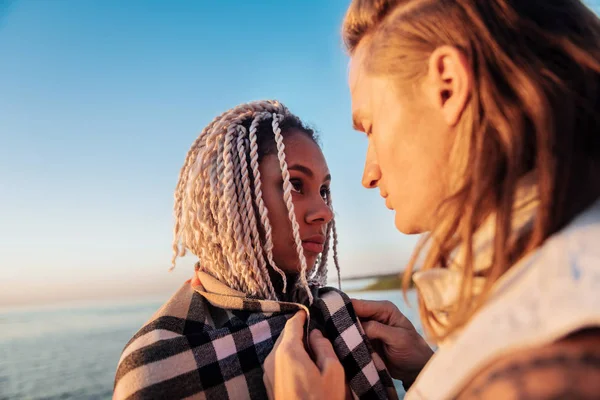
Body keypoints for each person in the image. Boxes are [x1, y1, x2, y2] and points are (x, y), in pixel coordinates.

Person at [263, 0, 600, 398]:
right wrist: (433, 370)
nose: (368, 175)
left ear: (448, 86)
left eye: (370, 128)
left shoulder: (546, 366)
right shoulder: (546, 299)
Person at [113, 100, 397, 400]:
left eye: (324, 191)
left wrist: (421, 369)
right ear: (232, 200)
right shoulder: (156, 365)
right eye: (295, 185)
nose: (325, 212)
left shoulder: (336, 314)